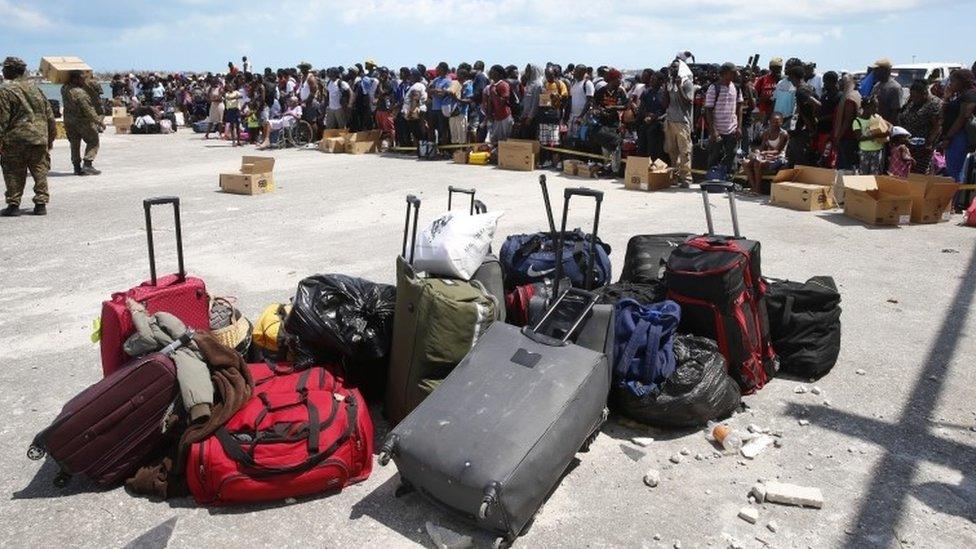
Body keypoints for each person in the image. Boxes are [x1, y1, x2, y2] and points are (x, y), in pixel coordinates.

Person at [0, 57, 56, 217]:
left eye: (5, 68)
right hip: (39, 138)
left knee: (13, 172)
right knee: (39, 170)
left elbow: (2, 119)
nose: (3, 71)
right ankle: (40, 204)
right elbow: (49, 115)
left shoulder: (5, 90)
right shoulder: (36, 89)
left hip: (15, 140)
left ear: (11, 70)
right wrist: (50, 138)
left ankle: (13, 204)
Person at [61, 70, 103, 176]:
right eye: (82, 78)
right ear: (75, 79)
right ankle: (88, 164)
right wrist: (99, 121)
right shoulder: (80, 93)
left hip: (69, 121)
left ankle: (76, 167)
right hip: (82, 122)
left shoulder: (64, 89)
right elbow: (88, 110)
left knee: (74, 144)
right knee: (93, 141)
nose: (84, 81)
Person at [704, 62, 744, 175]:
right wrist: (713, 131)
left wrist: (739, 127)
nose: (736, 74)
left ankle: (728, 180)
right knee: (714, 156)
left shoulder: (736, 87)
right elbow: (709, 110)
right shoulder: (714, 88)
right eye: (733, 72)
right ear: (726, 73)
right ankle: (712, 180)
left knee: (731, 155)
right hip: (717, 130)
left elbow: (740, 108)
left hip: (732, 129)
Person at [940, 69, 976, 187]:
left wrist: (948, 137)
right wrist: (947, 96)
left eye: (953, 81)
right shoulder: (961, 95)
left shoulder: (970, 95)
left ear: (962, 82)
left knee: (954, 173)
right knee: (952, 170)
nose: (950, 83)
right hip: (955, 136)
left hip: (959, 136)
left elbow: (962, 118)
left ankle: (953, 203)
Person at [898, 79, 943, 174]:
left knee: (920, 174)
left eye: (915, 96)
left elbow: (937, 126)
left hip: (923, 148)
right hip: (909, 144)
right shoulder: (913, 102)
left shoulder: (934, 104)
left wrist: (929, 143)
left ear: (924, 93)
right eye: (911, 95)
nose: (912, 98)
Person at [662, 58, 695, 187]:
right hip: (670, 120)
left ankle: (686, 178)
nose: (672, 70)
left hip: (682, 121)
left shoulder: (687, 83)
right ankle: (675, 176)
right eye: (671, 68)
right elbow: (665, 103)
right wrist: (666, 87)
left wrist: (680, 87)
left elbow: (688, 101)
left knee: (685, 151)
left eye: (675, 67)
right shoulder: (670, 83)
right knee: (671, 150)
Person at [743, 112, 789, 194]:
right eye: (772, 122)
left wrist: (763, 153)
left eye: (777, 122)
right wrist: (758, 152)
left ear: (781, 122)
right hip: (767, 156)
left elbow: (777, 151)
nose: (774, 124)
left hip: (779, 158)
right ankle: (754, 187)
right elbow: (762, 147)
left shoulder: (783, 134)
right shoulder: (767, 133)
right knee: (745, 162)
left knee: (757, 162)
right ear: (769, 122)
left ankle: (757, 189)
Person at [786, 64, 820, 167]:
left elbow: (817, 104)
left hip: (805, 129)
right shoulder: (808, 87)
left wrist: (809, 124)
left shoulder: (801, 91)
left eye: (790, 78)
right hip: (804, 127)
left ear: (794, 77)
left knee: (799, 155)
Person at [832, 73, 862, 170]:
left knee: (844, 167)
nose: (839, 84)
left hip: (847, 138)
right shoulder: (854, 95)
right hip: (849, 138)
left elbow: (847, 121)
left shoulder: (849, 98)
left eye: (842, 82)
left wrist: (838, 137)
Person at [635, 69, 667, 161]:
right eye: (651, 79)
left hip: (659, 123)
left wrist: (657, 117)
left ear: (661, 81)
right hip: (647, 121)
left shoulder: (664, 94)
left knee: (654, 144)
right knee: (642, 144)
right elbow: (642, 108)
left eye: (654, 80)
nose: (651, 81)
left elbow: (667, 110)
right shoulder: (646, 92)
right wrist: (647, 115)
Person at [854, 97, 890, 175]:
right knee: (864, 174)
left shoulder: (876, 117)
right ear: (867, 108)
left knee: (875, 175)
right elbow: (859, 138)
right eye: (874, 107)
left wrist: (886, 131)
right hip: (864, 151)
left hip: (877, 151)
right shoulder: (857, 121)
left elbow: (889, 126)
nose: (876, 109)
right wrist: (876, 135)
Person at [814, 71, 840, 167]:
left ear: (833, 82)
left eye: (826, 82)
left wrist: (822, 118)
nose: (824, 85)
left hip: (831, 131)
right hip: (821, 130)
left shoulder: (839, 96)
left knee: (830, 158)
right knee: (822, 155)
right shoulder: (824, 95)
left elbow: (837, 114)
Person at [485, 65, 514, 145]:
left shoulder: (503, 85)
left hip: (505, 117)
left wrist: (495, 93)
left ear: (499, 74)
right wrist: (489, 114)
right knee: (494, 140)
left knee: (505, 140)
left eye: (492, 71)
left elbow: (503, 101)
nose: (490, 73)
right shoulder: (492, 86)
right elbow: (490, 101)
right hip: (496, 117)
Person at [869, 59, 903, 125]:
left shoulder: (895, 88)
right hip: (876, 124)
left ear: (885, 71)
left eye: (877, 70)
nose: (874, 72)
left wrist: (887, 127)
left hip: (888, 126)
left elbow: (895, 111)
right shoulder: (876, 86)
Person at [566, 64, 594, 142]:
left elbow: (589, 101)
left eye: (576, 71)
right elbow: (570, 100)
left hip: (583, 117)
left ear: (582, 72)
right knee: (571, 139)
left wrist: (581, 116)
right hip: (573, 117)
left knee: (582, 139)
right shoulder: (574, 84)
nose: (574, 73)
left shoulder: (587, 84)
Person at [755, 58, 783, 124]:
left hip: (778, 113)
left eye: (779, 67)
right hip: (764, 112)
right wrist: (762, 99)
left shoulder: (784, 80)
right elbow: (755, 95)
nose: (778, 70)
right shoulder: (763, 79)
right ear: (770, 68)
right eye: (775, 67)